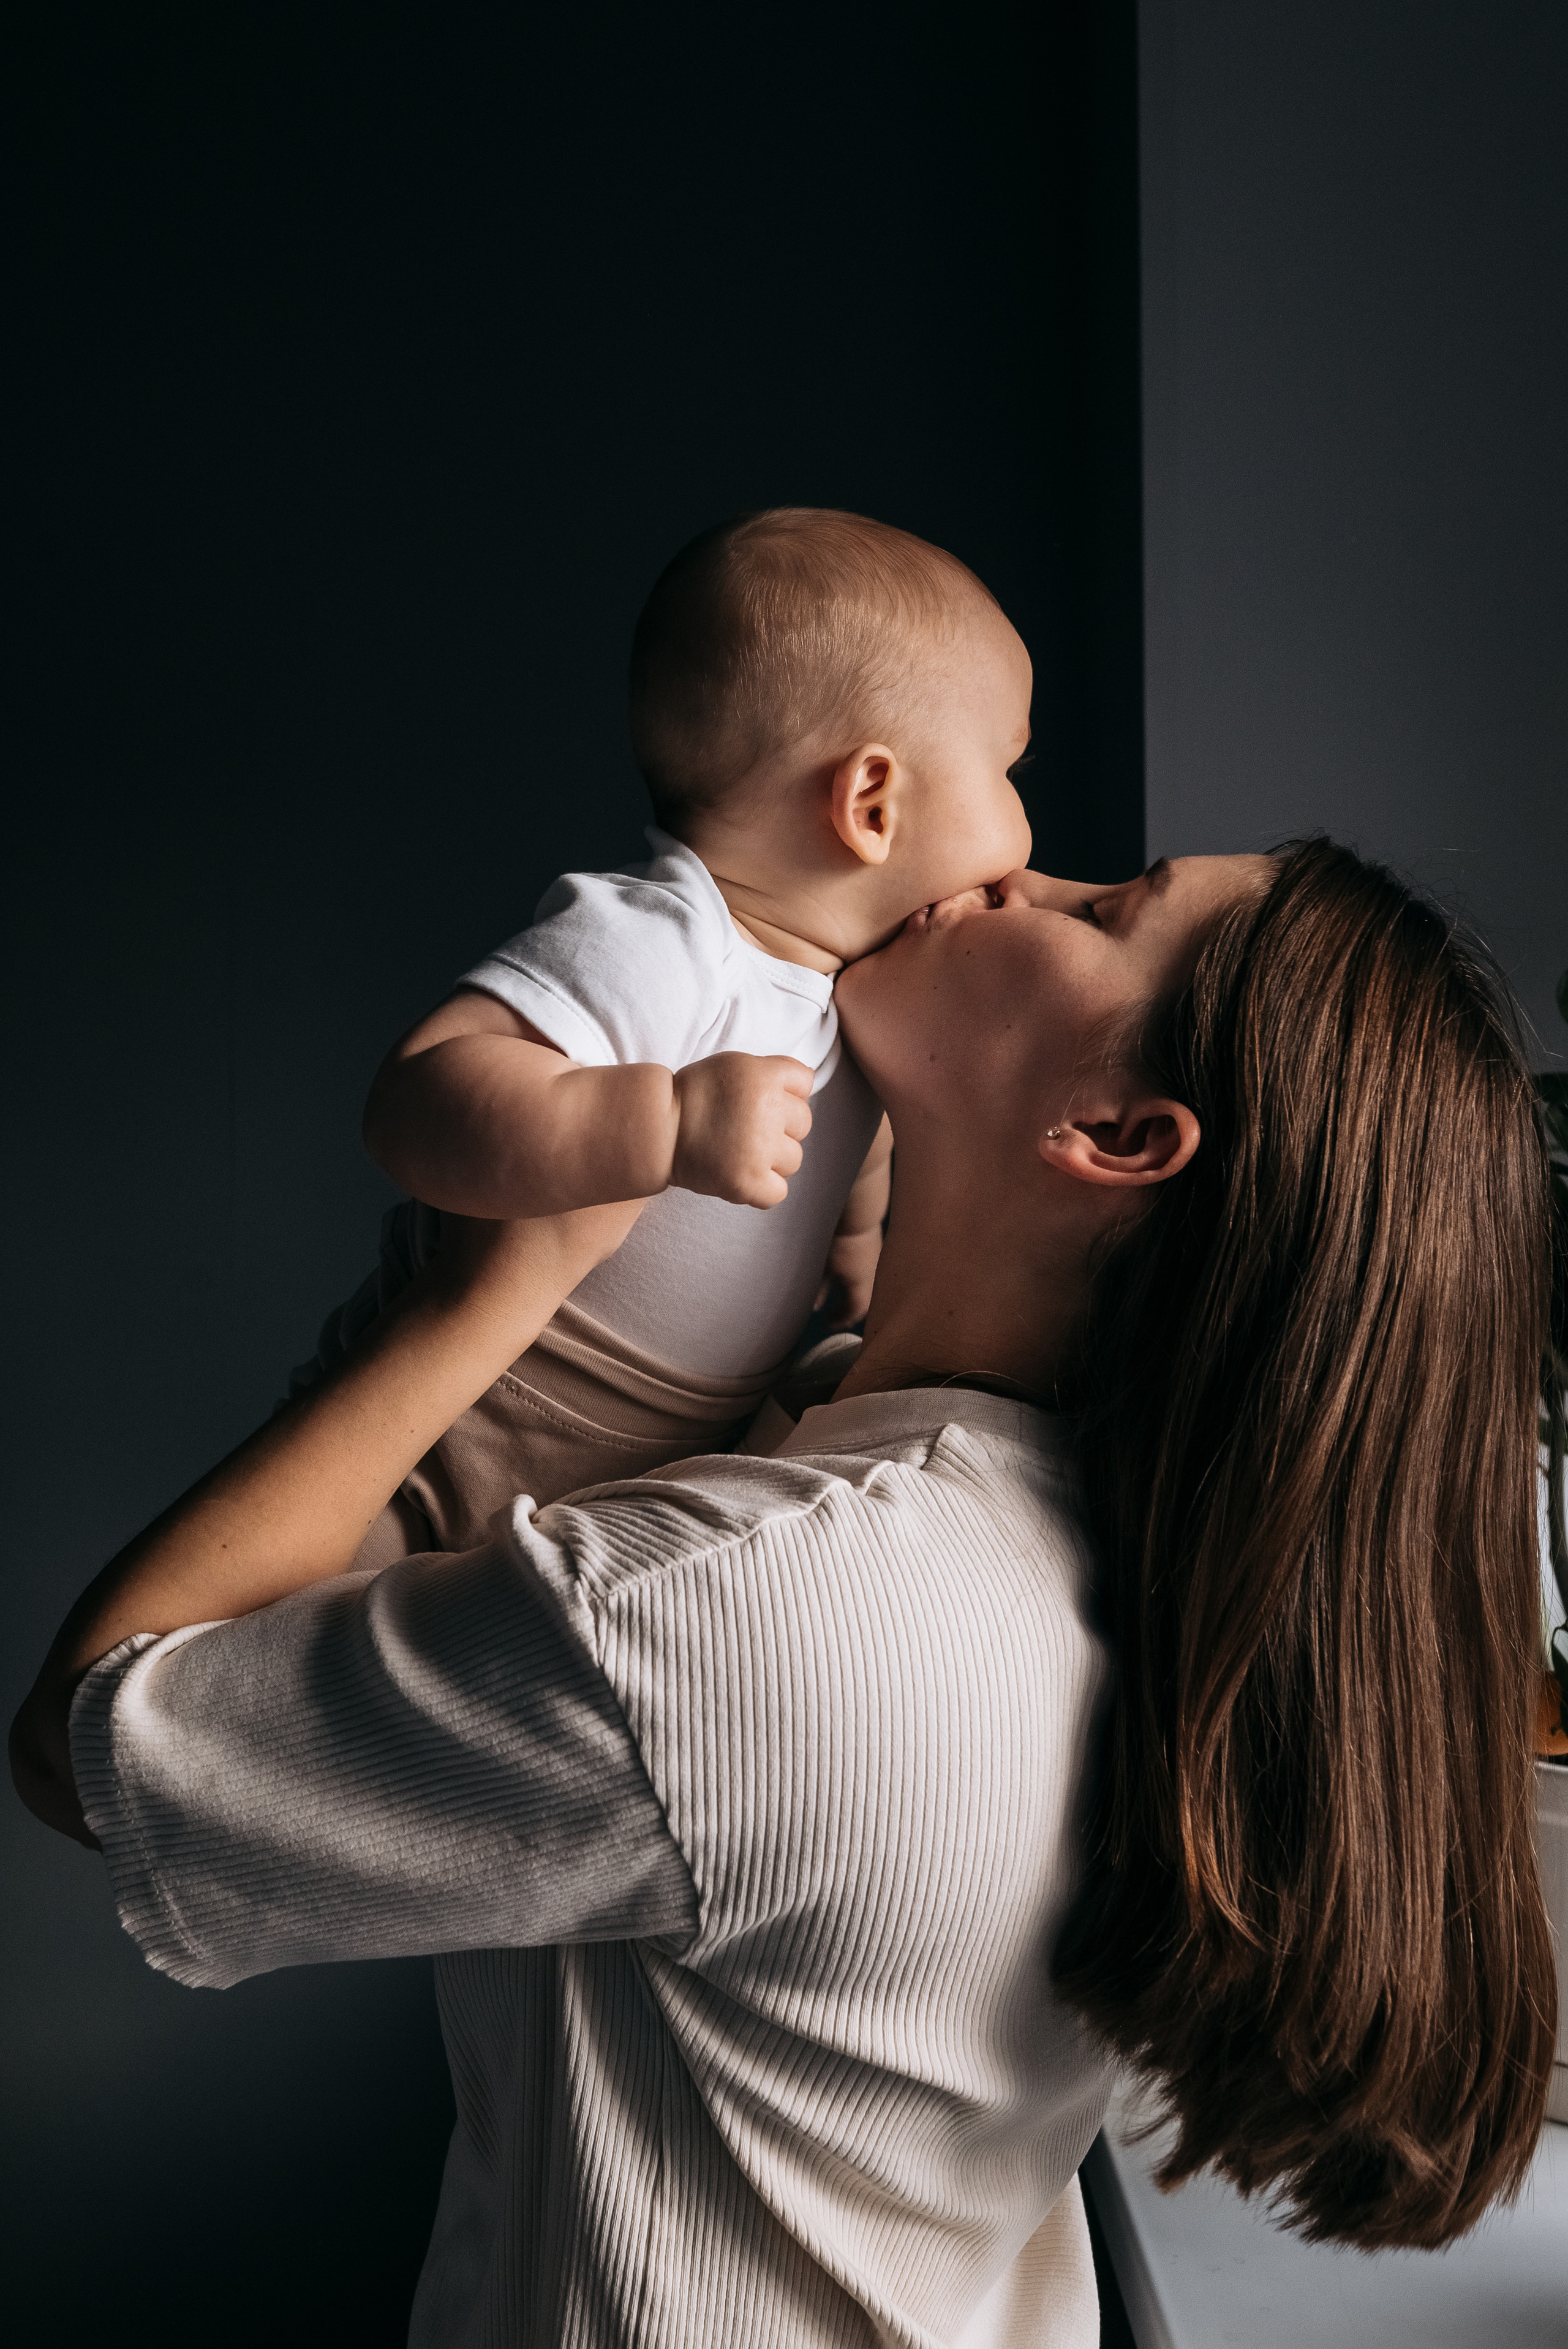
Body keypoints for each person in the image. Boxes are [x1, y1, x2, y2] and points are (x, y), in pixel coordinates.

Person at [11, 841, 1556, 2344]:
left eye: (1103, 910)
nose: (1021, 870)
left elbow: (98, 1740)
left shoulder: (741, 1618)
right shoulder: (1093, 1539)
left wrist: (486, 1290)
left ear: (1116, 1131)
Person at [314, 506, 1032, 1559]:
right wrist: (662, 1119)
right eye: (1008, 773)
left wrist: (855, 1241)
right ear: (872, 802)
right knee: (300, 1626)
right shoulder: (667, 940)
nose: (1026, 833)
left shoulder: (856, 990)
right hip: (461, 1431)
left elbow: (841, 1141)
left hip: (635, 1461)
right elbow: (416, 1095)